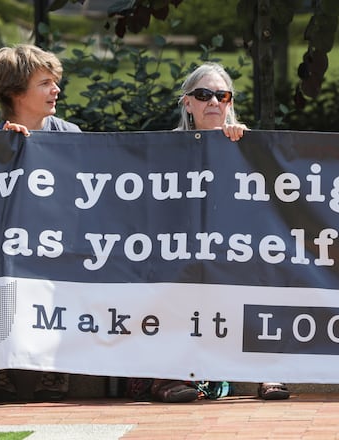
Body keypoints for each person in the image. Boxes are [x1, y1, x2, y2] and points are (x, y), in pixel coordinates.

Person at [131, 62, 290, 403]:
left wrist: (242, 146)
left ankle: (267, 374)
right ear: (187, 102)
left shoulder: (243, 143)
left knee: (257, 277)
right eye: (203, 95)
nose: (214, 102)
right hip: (179, 250)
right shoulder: (167, 147)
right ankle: (168, 378)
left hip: (231, 249)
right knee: (173, 282)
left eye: (222, 95)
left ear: (231, 102)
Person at [0, 44, 81, 402]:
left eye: (55, 82)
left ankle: (55, 369)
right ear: (14, 92)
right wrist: (10, 151)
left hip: (61, 240)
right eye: (45, 83)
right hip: (10, 245)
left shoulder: (70, 135)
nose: (56, 90)